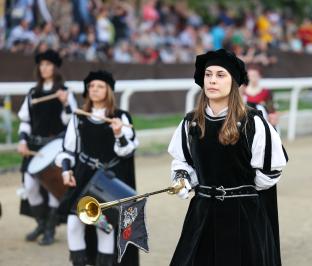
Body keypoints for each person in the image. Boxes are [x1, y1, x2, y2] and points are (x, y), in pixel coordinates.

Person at [168, 49, 288, 266]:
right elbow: (182, 161)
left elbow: (272, 170)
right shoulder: (191, 123)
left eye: (220, 75)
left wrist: (241, 191)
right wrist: (184, 179)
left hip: (243, 217)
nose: (212, 80)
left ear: (233, 82)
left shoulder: (253, 122)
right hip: (202, 214)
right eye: (208, 74)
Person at [55, 70, 139, 266]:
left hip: (106, 180)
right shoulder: (79, 117)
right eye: (91, 86)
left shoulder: (121, 116)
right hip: (83, 176)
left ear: (108, 91)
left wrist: (118, 133)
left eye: (100, 86)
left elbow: (127, 152)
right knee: (74, 223)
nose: (94, 89)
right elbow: (68, 150)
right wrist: (66, 170)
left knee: (104, 225)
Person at [17, 49, 77, 245]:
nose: (44, 68)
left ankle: (50, 229)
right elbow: (25, 120)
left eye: (48, 64)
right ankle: (41, 223)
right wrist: (22, 140)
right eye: (41, 65)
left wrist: (65, 102)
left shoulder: (64, 91)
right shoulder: (33, 93)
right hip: (34, 148)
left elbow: (71, 120)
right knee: (30, 186)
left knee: (53, 189)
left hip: (55, 148)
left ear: (55, 67)